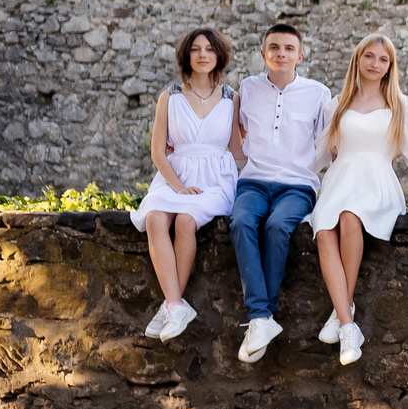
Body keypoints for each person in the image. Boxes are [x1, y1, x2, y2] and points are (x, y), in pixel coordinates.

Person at [307, 33, 408, 368]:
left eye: (382, 59)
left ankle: (342, 311)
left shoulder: (400, 103)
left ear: (390, 66)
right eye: (369, 56)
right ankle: (347, 322)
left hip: (376, 181)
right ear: (358, 59)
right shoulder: (336, 103)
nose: (374, 64)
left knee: (349, 217)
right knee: (324, 229)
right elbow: (317, 155)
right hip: (341, 178)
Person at [227, 22, 331, 365]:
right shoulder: (248, 87)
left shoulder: (318, 92)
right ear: (263, 53)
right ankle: (261, 318)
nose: (280, 53)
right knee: (241, 222)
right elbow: (239, 136)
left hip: (297, 185)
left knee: (276, 227)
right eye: (274, 47)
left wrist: (306, 171)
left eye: (288, 48)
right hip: (254, 180)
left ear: (299, 55)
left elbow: (326, 144)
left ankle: (260, 316)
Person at [133, 27, 238, 344]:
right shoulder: (170, 97)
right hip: (174, 175)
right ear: (186, 56)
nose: (203, 54)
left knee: (185, 221)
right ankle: (177, 304)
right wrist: (177, 187)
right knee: (154, 217)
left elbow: (237, 148)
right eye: (196, 49)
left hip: (215, 178)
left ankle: (169, 306)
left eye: (209, 49)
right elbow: (157, 151)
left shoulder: (232, 98)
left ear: (218, 55)